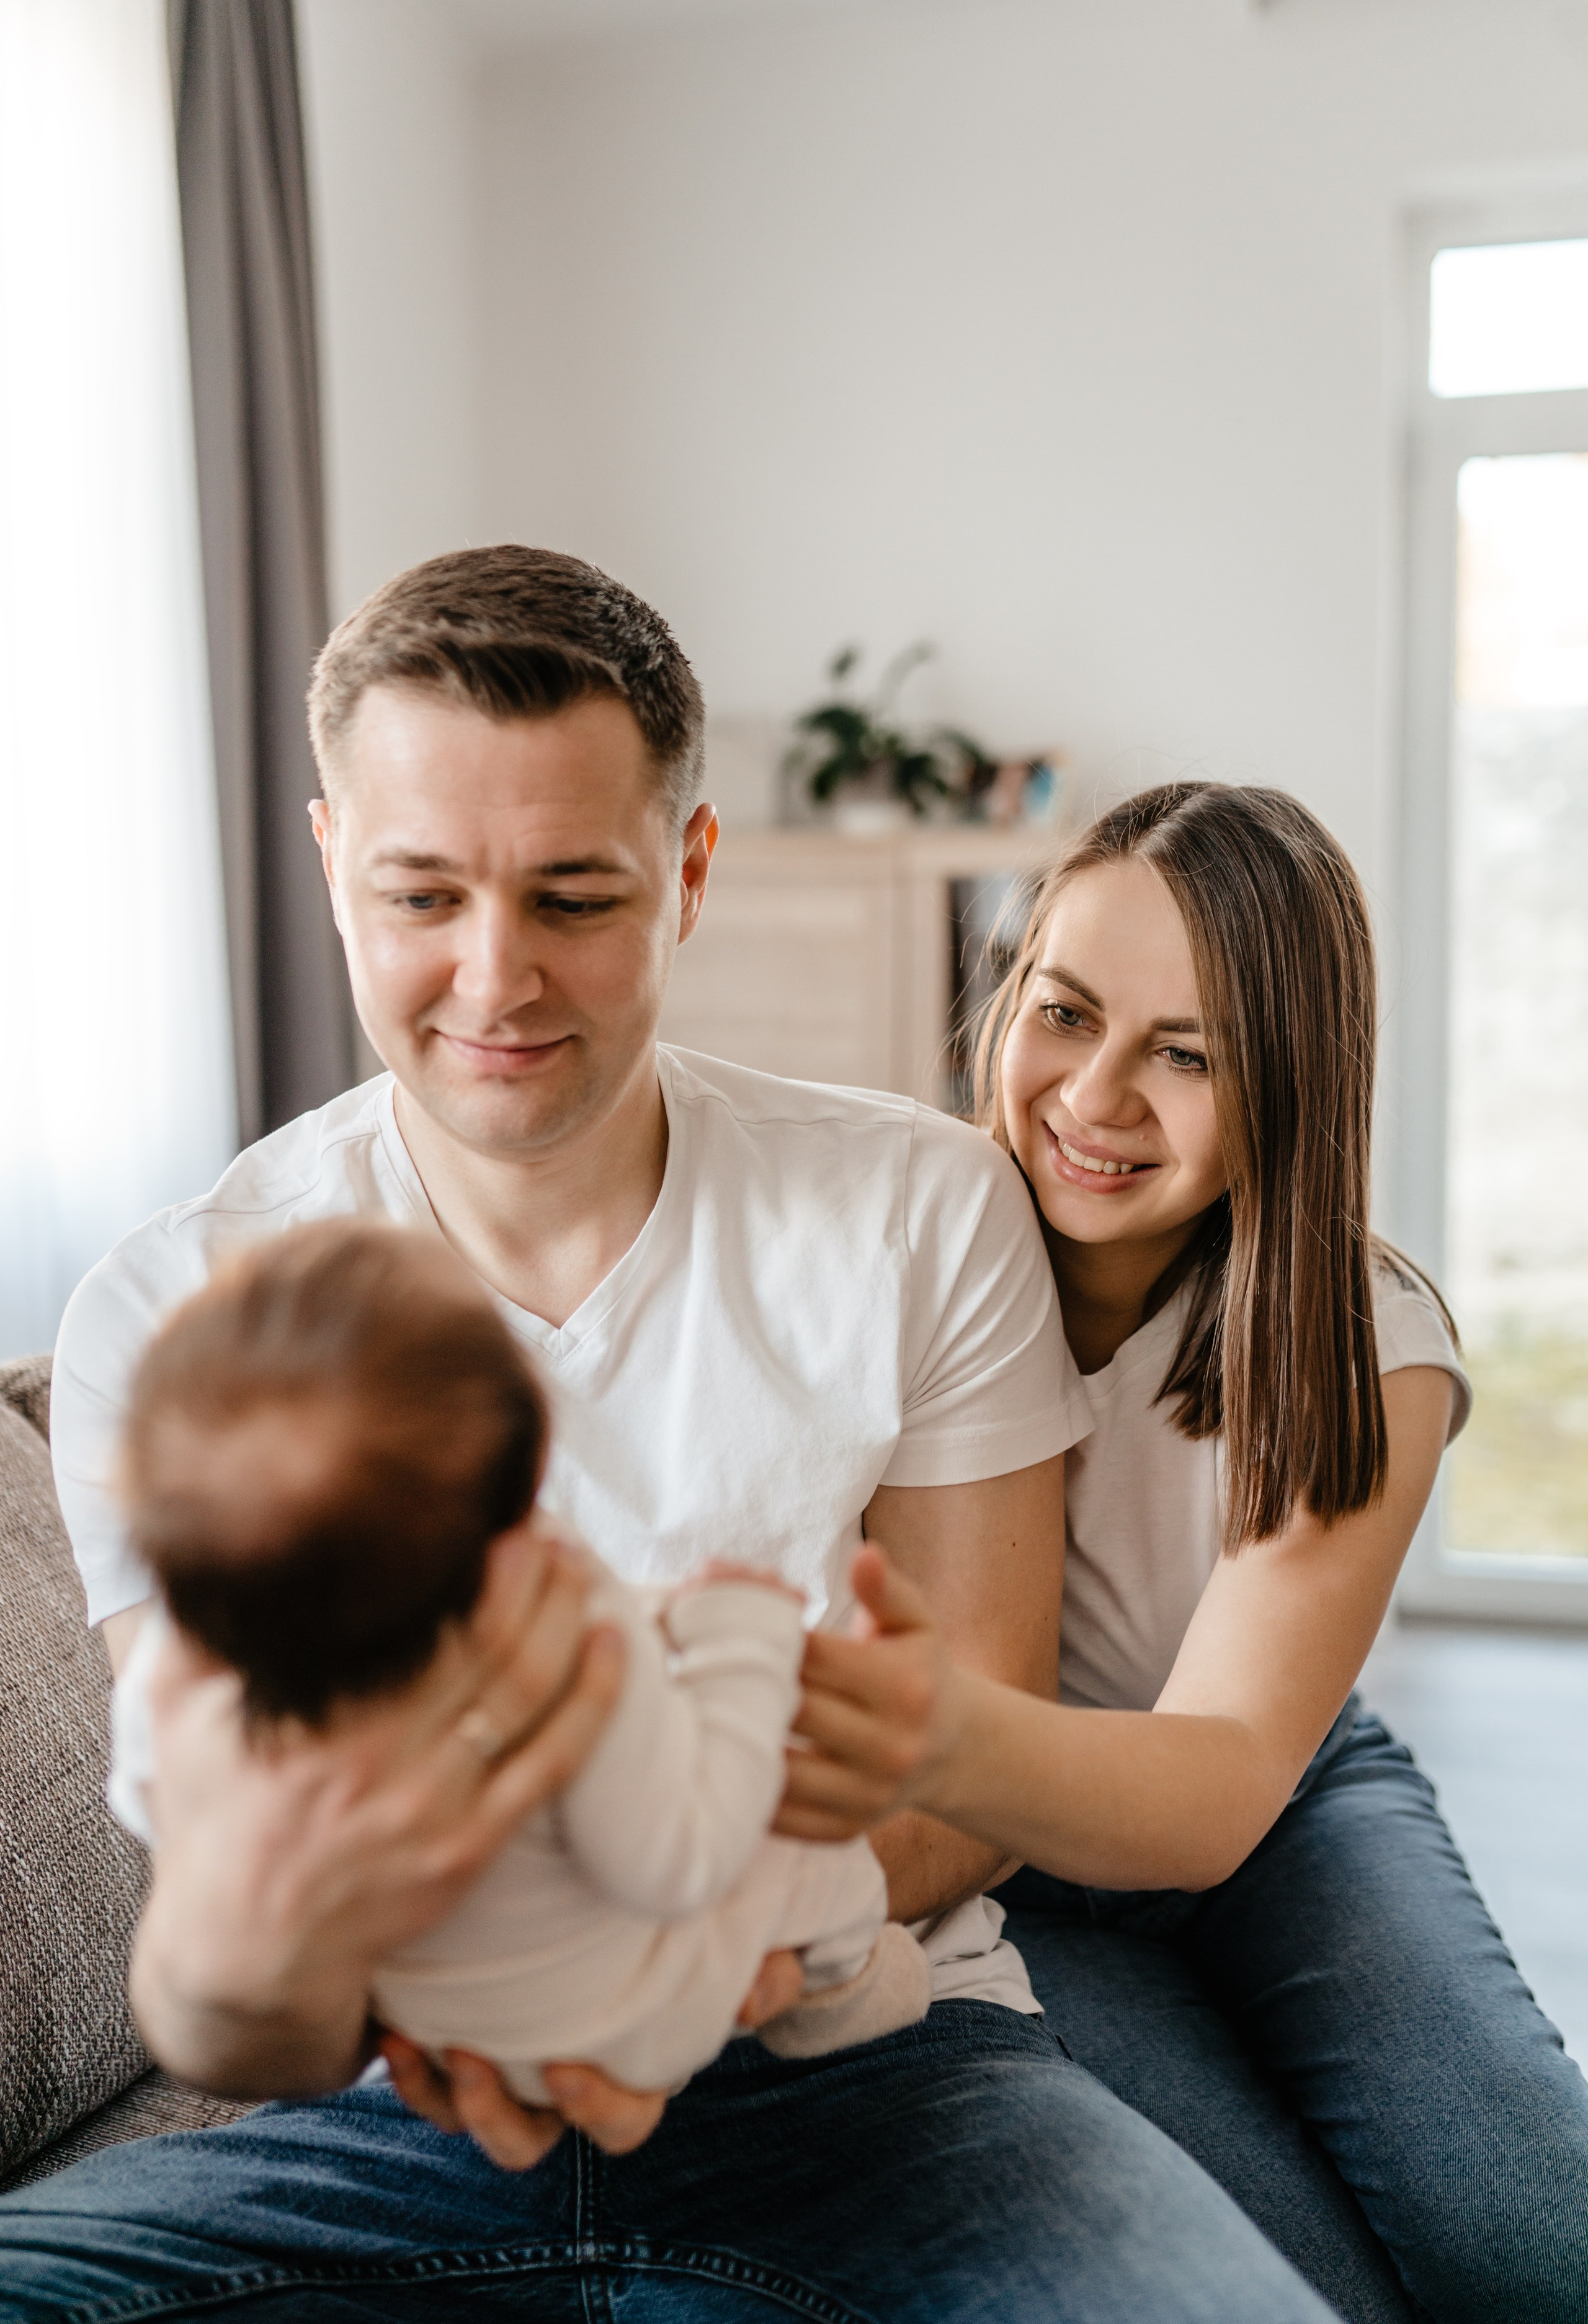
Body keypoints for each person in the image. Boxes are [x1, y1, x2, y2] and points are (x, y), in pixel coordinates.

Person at [0, 550, 1335, 2323]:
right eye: (421, 893)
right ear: (329, 860)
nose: (497, 978)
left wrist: (680, 1961)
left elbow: (964, 1772)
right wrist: (338, 1955)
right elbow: (233, 1933)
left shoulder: (920, 1206)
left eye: (573, 893)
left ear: (691, 869)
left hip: (876, 2066)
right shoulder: (172, 1321)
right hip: (386, 2113)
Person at [794, 782, 1588, 2324]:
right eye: (1064, 1013)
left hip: (1269, 1801)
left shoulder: (1363, 1337)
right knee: (1285, 2271)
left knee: (1525, 2228)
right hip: (999, 1859)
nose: (1094, 1096)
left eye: (1186, 1052)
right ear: (1003, 997)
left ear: (1289, 1080)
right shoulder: (891, 1245)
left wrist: (926, 1732)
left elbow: (1220, 1784)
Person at [112, 1218, 930, 2095]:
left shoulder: (176, 1685)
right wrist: (745, 1636)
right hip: (628, 2024)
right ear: (540, 1459)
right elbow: (681, 1855)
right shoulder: (566, 1638)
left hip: (438, 2042)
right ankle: (849, 1985)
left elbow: (153, 1805)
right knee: (796, 1838)